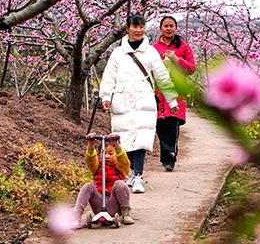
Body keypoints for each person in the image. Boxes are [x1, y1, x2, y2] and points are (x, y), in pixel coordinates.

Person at [100, 14, 179, 193]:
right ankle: (129, 173)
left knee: (141, 138)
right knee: (125, 138)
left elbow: (161, 76)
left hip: (144, 100)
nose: (138, 30)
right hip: (123, 100)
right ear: (127, 29)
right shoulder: (118, 53)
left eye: (141, 27)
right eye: (135, 27)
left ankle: (139, 177)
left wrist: (172, 100)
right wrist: (105, 97)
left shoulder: (150, 52)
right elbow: (109, 76)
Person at [153, 16, 196, 171]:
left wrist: (177, 59)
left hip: (176, 92)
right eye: (166, 26)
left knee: (172, 123)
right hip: (158, 92)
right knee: (161, 123)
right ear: (160, 28)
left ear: (176, 29)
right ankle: (166, 155)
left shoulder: (184, 47)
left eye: (171, 26)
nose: (169, 28)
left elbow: (191, 69)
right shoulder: (154, 48)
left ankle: (170, 156)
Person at [70, 133, 134, 228]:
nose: (107, 156)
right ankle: (75, 217)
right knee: (88, 186)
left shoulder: (119, 167)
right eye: (104, 154)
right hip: (99, 204)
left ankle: (126, 213)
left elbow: (124, 162)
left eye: (111, 153)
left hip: (114, 204)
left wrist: (116, 145)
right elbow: (90, 160)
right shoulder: (97, 167)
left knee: (120, 184)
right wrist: (91, 145)